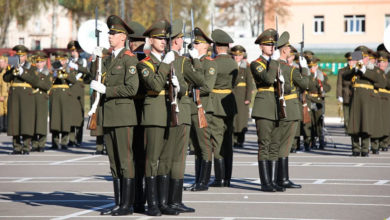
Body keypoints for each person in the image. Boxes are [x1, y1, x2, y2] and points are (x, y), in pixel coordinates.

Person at [91, 15, 139, 216]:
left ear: (123, 37)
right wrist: (94, 61)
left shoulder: (129, 59)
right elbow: (94, 77)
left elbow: (132, 88)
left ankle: (127, 204)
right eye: (109, 33)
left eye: (113, 33)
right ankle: (119, 202)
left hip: (123, 115)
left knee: (125, 160)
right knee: (113, 162)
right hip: (108, 115)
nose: (109, 36)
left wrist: (106, 90)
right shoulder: (108, 59)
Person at [136, 19, 179, 216]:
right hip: (153, 113)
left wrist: (179, 85)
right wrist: (165, 65)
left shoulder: (170, 61)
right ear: (150, 40)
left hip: (170, 112)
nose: (163, 41)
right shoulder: (145, 64)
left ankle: (163, 202)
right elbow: (154, 85)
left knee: (166, 159)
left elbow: (184, 86)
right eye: (159, 38)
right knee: (152, 159)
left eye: (165, 38)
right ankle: (151, 203)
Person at [273, 32, 315, 189]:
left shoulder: (273, 66)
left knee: (279, 143)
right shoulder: (290, 70)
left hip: (277, 107)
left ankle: (278, 177)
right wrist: (304, 69)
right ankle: (282, 178)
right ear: (284, 50)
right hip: (290, 108)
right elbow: (306, 85)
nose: (290, 49)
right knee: (285, 144)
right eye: (288, 47)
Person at [250, 29, 284, 192]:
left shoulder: (276, 62)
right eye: (268, 44)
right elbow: (269, 79)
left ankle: (273, 181)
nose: (272, 47)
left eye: (273, 44)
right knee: (265, 144)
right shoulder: (256, 63)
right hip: (264, 107)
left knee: (275, 145)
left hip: (277, 107)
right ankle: (265, 182)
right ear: (261, 46)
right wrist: (276, 62)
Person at [187, 27, 217, 192]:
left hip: (202, 108)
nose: (194, 45)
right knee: (196, 147)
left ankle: (203, 181)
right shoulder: (190, 61)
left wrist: (190, 84)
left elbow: (207, 86)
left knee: (205, 145)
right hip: (191, 107)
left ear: (206, 46)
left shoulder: (209, 63)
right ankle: (198, 179)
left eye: (197, 43)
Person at [209, 29, 237, 187]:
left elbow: (210, 84)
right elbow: (232, 84)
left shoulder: (214, 63)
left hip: (217, 103)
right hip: (229, 102)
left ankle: (219, 178)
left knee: (217, 140)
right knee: (228, 140)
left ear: (216, 46)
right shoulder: (234, 63)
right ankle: (227, 177)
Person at [344, 46, 380, 157]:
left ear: (367, 58)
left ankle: (365, 149)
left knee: (365, 123)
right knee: (354, 123)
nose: (361, 60)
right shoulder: (354, 69)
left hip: (367, 99)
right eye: (359, 58)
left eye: (363, 58)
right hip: (355, 98)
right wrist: (355, 69)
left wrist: (363, 70)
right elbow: (345, 76)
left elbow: (376, 79)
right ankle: (355, 148)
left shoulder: (372, 68)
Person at [3, 45, 38, 155]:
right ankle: (16, 146)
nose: (20, 57)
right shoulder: (12, 66)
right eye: (18, 55)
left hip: (26, 96)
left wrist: (22, 72)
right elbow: (5, 78)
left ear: (26, 56)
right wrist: (12, 70)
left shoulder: (31, 67)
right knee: (15, 121)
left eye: (22, 55)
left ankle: (26, 146)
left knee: (26, 122)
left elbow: (34, 81)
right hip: (14, 96)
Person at [128, 20, 147, 213]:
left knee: (138, 157)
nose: (132, 44)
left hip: (138, 111)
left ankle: (139, 197)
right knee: (136, 157)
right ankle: (136, 197)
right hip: (135, 112)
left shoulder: (139, 61)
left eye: (135, 40)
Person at [49, 51, 77, 150]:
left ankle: (65, 141)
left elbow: (74, 80)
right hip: (55, 95)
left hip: (66, 96)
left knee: (65, 119)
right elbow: (48, 80)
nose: (61, 62)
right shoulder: (53, 69)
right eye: (59, 60)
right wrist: (55, 73)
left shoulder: (69, 70)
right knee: (55, 118)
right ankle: (55, 142)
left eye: (63, 60)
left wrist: (65, 74)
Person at [230, 45, 253, 149]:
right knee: (233, 119)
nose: (236, 57)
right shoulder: (230, 65)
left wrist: (248, 98)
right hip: (232, 94)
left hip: (242, 95)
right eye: (235, 55)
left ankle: (240, 140)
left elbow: (249, 83)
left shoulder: (246, 67)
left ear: (242, 56)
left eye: (238, 55)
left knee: (242, 119)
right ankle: (233, 140)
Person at [67, 41, 89, 147]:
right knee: (70, 114)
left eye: (75, 51)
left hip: (78, 87)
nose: (74, 53)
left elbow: (85, 71)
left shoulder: (82, 60)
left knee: (78, 114)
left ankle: (78, 139)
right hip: (70, 87)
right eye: (72, 51)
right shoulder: (68, 61)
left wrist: (76, 68)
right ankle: (71, 139)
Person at [31, 51, 52, 152]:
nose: (39, 63)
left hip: (42, 99)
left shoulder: (47, 73)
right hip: (33, 99)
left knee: (42, 122)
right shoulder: (32, 72)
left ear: (44, 62)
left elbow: (47, 85)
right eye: (37, 61)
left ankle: (42, 143)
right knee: (33, 121)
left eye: (41, 61)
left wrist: (36, 82)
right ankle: (34, 143)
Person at [0, 55, 10, 132]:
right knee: (1, 111)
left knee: (7, 111)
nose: (1, 64)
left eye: (2, 62)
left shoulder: (8, 72)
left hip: (8, 95)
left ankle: (6, 127)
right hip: (1, 95)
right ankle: (1, 127)